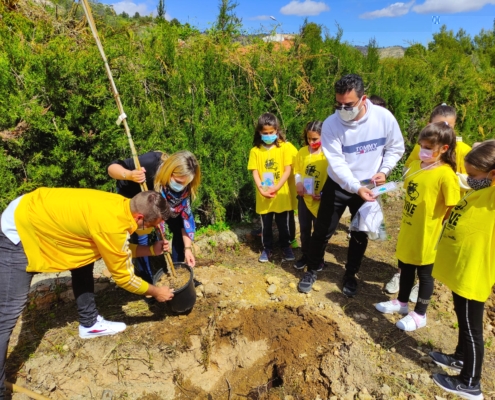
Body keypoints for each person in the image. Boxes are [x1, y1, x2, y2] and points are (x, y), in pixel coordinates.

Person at [0, 188, 174, 398]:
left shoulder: (121, 205)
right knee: (6, 315)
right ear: (139, 218)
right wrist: (156, 292)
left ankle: (89, 323)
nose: (153, 230)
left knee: (84, 255)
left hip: (38, 208)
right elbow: (124, 277)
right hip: (20, 227)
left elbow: (113, 248)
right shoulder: (112, 225)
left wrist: (152, 250)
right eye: (152, 225)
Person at [297, 74, 404, 295]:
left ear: (363, 99)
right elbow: (336, 163)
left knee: (359, 233)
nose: (343, 108)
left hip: (368, 186)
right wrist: (356, 187)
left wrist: (384, 170)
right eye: (339, 104)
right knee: (323, 231)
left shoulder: (383, 118)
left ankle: (350, 275)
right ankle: (313, 268)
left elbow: (396, 147)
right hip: (338, 186)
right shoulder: (331, 124)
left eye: (349, 104)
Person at [374, 122, 460, 331]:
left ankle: (420, 314)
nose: (423, 151)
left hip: (428, 234)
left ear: (444, 149)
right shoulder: (415, 167)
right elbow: (405, 187)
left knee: (425, 274)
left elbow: (452, 206)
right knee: (405, 267)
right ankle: (402, 303)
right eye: (421, 146)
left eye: (429, 148)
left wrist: (437, 225)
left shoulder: (446, 175)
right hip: (409, 228)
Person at [429, 140, 495, 400]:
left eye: (474, 176)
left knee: (472, 327)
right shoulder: (479, 191)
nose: (470, 179)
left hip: (473, 272)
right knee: (463, 319)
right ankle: (459, 357)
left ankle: (470, 382)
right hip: (460, 270)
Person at [385, 103, 472, 301]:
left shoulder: (458, 157)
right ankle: (402, 286)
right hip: (414, 216)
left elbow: (470, 181)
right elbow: (410, 173)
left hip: (435, 216)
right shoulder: (420, 152)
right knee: (407, 256)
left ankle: (420, 296)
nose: (443, 130)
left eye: (448, 126)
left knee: (425, 264)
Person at [108, 150, 201, 284]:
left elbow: (183, 221)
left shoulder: (185, 188)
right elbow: (112, 167)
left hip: (165, 201)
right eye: (178, 182)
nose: (181, 187)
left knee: (178, 229)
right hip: (137, 196)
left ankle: (179, 274)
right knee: (141, 237)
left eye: (185, 184)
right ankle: (147, 282)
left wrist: (187, 248)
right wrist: (129, 175)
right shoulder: (151, 163)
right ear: (169, 171)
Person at [247, 112, 295, 263]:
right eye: (265, 133)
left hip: (281, 195)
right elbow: (255, 171)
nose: (268, 135)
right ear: (259, 133)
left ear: (277, 131)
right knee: (265, 225)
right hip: (264, 195)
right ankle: (267, 249)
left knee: (283, 224)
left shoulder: (284, 148)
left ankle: (286, 246)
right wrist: (261, 188)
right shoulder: (255, 151)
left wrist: (277, 187)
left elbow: (288, 170)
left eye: (271, 132)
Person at [293, 121, 328, 271]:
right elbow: (297, 171)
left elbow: (335, 176)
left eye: (315, 139)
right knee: (305, 229)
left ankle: (318, 258)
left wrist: (324, 193)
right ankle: (305, 255)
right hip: (304, 199)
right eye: (309, 138)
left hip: (321, 200)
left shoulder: (328, 153)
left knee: (320, 231)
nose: (311, 142)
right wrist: (298, 183)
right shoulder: (302, 152)